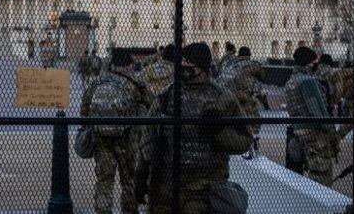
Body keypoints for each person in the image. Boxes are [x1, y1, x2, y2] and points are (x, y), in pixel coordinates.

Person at [140, 43, 253, 214]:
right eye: (182, 61)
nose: (183, 65)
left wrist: (218, 131)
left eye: (188, 61)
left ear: (201, 66)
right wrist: (141, 173)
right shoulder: (168, 95)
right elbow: (148, 134)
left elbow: (245, 141)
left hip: (204, 189)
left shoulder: (223, 98)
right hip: (167, 186)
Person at [81, 50, 150, 214]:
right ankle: (129, 211)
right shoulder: (134, 83)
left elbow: (84, 107)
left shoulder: (98, 82)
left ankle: (103, 211)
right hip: (127, 138)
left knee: (104, 181)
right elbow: (150, 104)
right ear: (128, 64)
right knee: (129, 181)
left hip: (101, 138)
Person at [285, 46, 338, 187]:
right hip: (314, 135)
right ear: (308, 62)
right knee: (322, 178)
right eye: (315, 60)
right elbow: (317, 111)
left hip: (297, 131)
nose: (316, 64)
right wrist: (330, 130)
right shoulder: (308, 81)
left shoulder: (291, 81)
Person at [217, 46, 265, 137]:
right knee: (254, 119)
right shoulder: (252, 65)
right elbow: (262, 75)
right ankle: (252, 140)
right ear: (249, 55)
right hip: (246, 97)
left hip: (230, 97)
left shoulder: (231, 65)